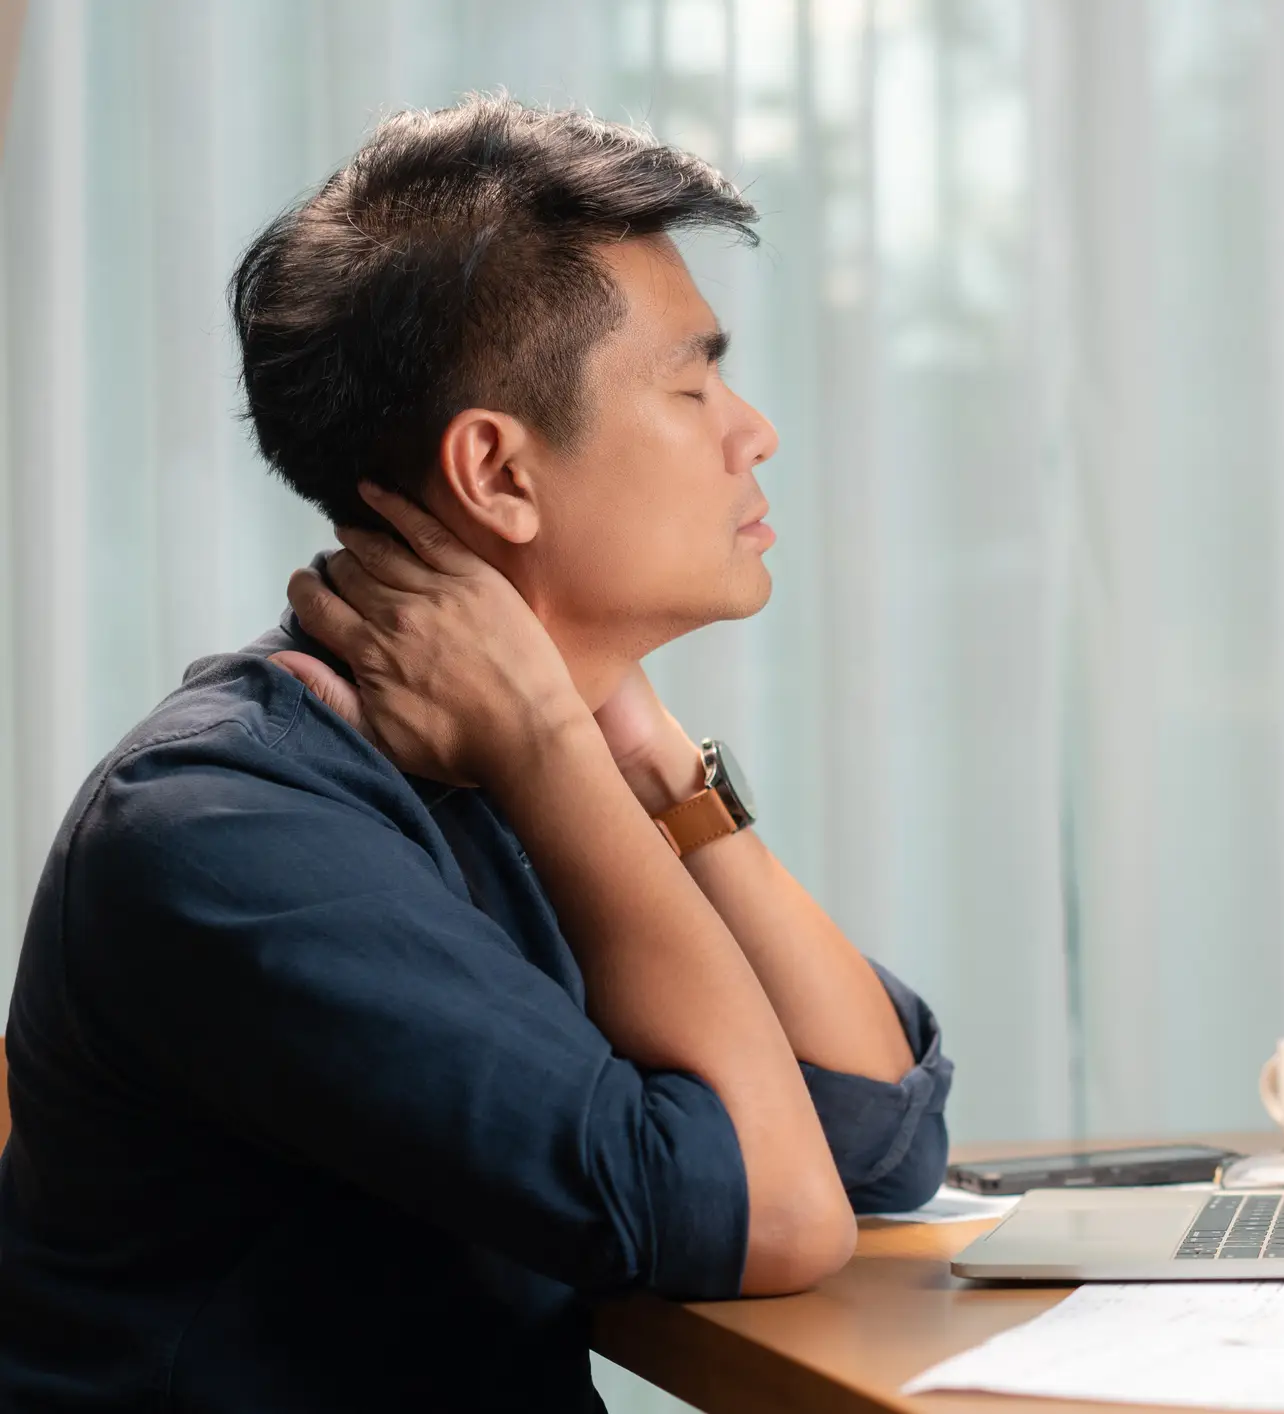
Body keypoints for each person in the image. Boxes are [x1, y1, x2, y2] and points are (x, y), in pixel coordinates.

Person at [0, 96, 952, 1412]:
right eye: (692, 385)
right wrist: (558, 746)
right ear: (496, 471)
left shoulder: (504, 767)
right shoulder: (227, 827)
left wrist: (650, 756)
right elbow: (781, 1215)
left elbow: (874, 1136)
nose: (754, 431)